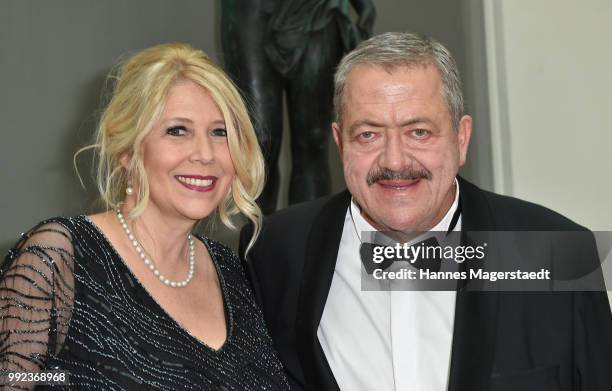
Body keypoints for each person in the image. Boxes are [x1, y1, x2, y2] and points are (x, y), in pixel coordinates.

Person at [240, 32, 612, 390]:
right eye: (368, 134)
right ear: (340, 143)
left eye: (418, 132)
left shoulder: (557, 254)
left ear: (461, 139)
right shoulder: (272, 251)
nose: (395, 160)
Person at [0, 43, 289, 390]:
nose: (205, 154)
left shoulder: (233, 273)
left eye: (220, 132)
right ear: (127, 150)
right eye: (177, 130)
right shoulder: (61, 256)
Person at [221, 0, 376, 214]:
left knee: (312, 141)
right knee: (260, 139)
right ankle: (258, 240)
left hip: (316, 10)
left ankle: (308, 242)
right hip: (252, 11)